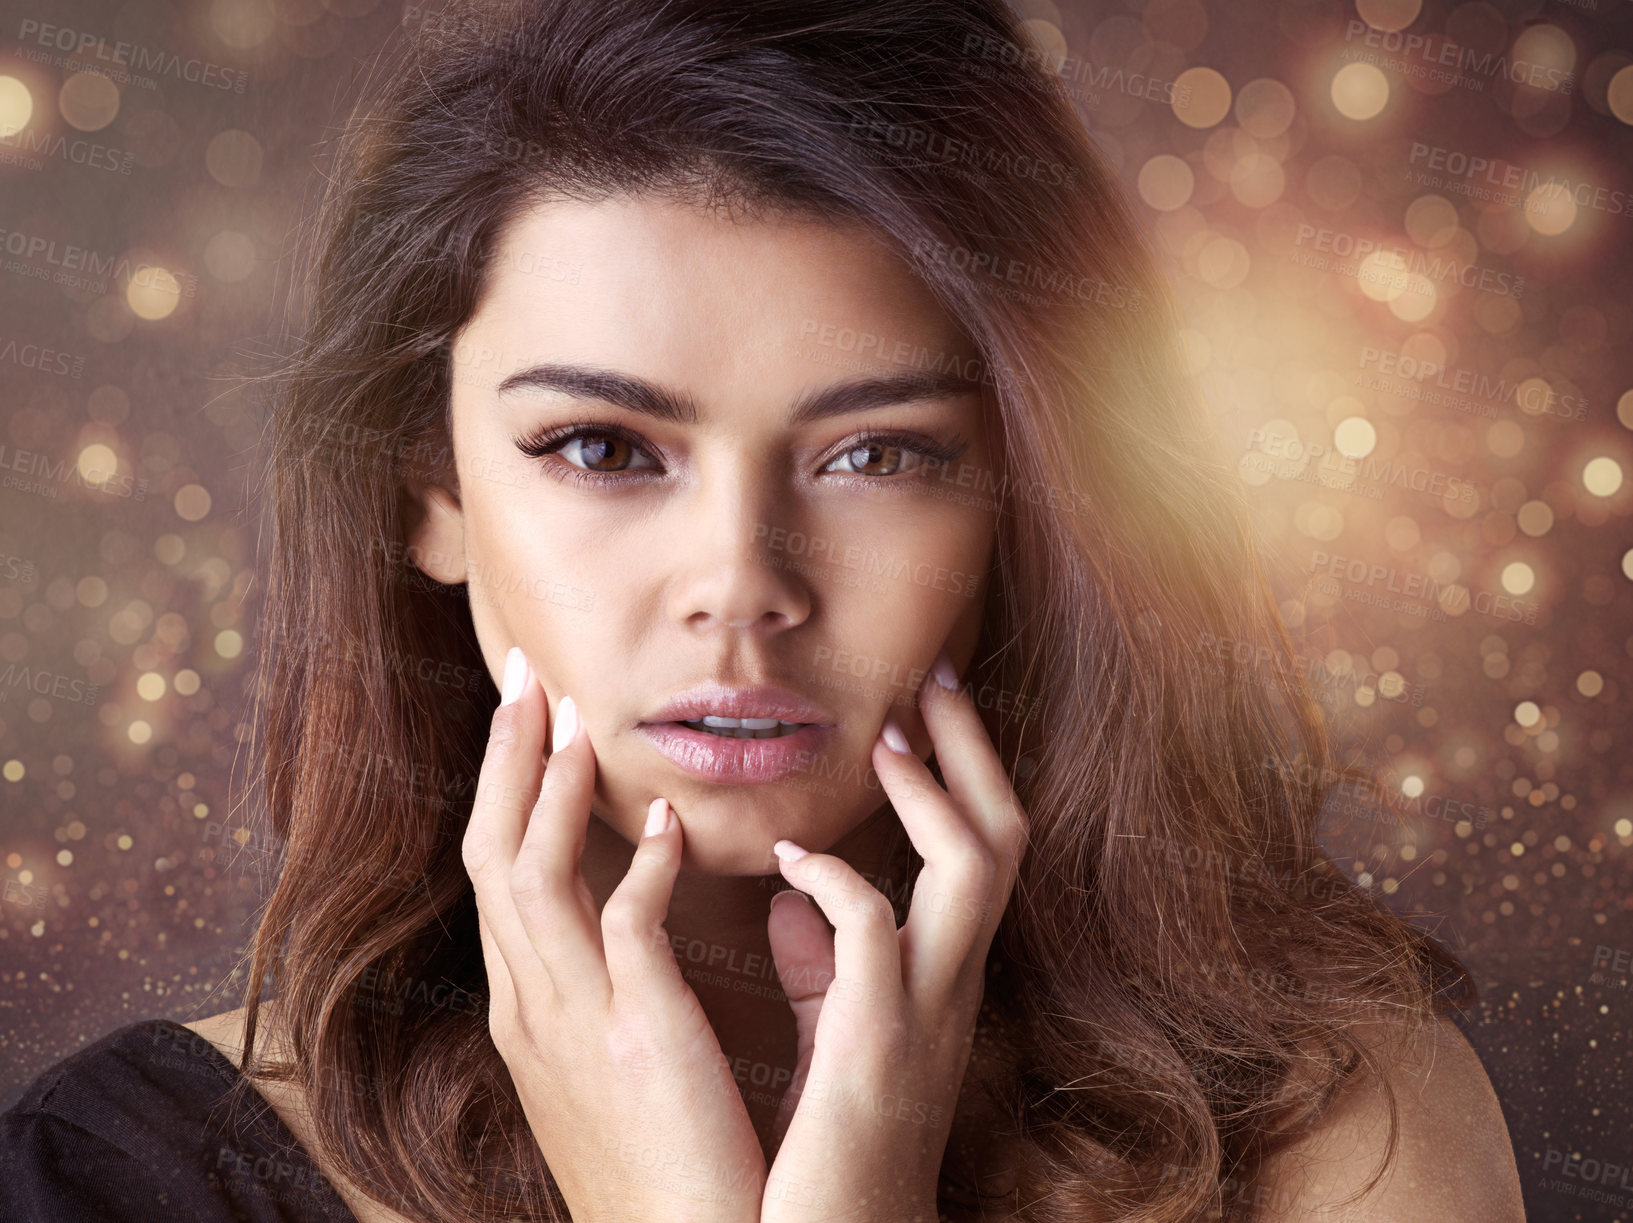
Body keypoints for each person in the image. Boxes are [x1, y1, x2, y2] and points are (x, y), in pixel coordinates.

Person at [2, 0, 1526, 1220]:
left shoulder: (1335, 1123)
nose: (741, 582)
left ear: (1030, 502)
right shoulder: (114, 1177)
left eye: (880, 454)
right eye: (600, 449)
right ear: (431, 491)